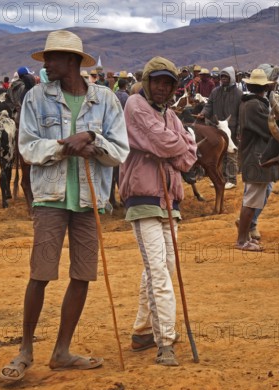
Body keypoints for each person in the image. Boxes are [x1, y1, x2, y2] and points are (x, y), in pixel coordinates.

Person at [0, 30, 129, 382]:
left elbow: (119, 152)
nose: (47, 64)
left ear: (71, 62)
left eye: (52, 58)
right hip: (50, 199)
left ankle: (61, 351)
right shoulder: (36, 98)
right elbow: (28, 148)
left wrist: (91, 138)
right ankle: (26, 349)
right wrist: (64, 145)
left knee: (82, 275)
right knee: (40, 273)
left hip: (90, 200)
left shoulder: (106, 100)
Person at [119, 56, 197, 366]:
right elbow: (172, 147)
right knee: (159, 273)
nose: (163, 88)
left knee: (163, 266)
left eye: (168, 83)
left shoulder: (171, 116)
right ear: (148, 82)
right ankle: (166, 341)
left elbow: (189, 158)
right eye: (158, 81)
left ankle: (141, 332)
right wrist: (176, 144)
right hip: (143, 199)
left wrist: (172, 145)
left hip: (170, 201)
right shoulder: (136, 106)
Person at [236, 69, 279, 251]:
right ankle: (241, 241)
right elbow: (269, 128)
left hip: (254, 157)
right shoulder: (255, 105)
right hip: (256, 158)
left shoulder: (252, 103)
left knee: (252, 201)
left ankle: (245, 237)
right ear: (264, 88)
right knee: (251, 201)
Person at [199, 66, 243, 189]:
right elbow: (209, 106)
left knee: (231, 154)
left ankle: (232, 180)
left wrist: (239, 128)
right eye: (222, 77)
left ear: (232, 78)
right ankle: (221, 178)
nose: (223, 79)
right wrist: (203, 113)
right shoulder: (215, 92)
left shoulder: (238, 94)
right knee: (219, 154)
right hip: (216, 128)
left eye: (226, 77)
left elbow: (241, 113)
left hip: (232, 128)